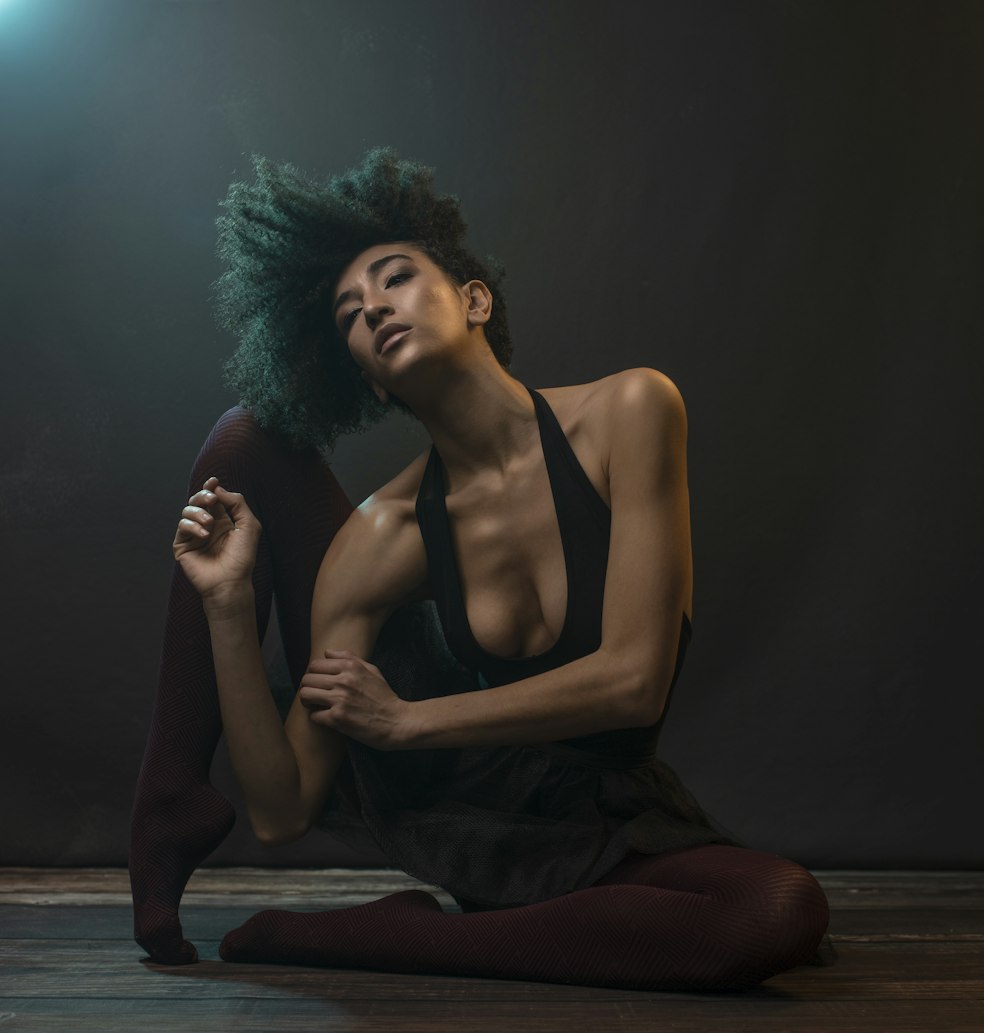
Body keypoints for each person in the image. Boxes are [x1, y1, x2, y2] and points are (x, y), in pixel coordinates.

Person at [129, 149, 830, 990]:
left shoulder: (630, 411)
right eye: (351, 312)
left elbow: (636, 682)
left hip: (609, 811)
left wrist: (408, 720)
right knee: (243, 436)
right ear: (368, 380)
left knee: (776, 908)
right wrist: (230, 608)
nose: (375, 306)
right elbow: (282, 810)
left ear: (472, 299)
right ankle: (172, 795)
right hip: (468, 814)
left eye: (395, 278)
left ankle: (381, 938)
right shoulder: (382, 535)